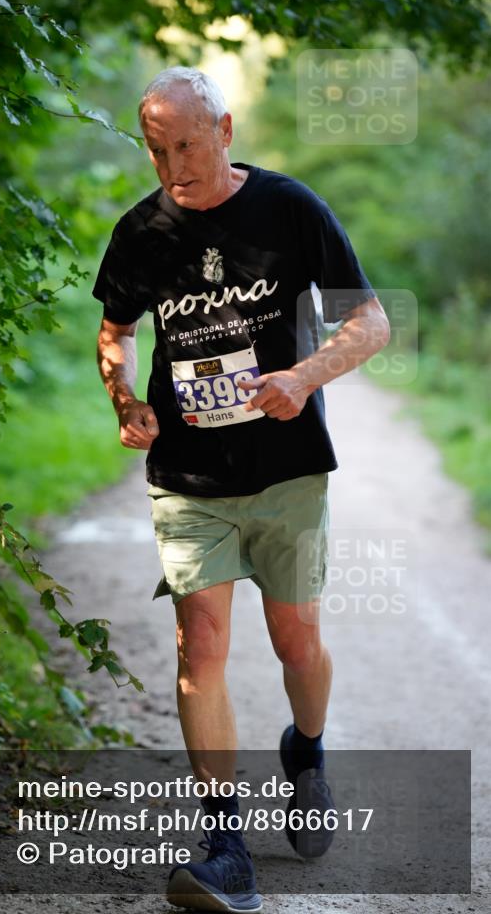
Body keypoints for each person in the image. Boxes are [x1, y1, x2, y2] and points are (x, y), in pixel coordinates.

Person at [93, 66, 390, 913]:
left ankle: (305, 748)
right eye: (155, 150)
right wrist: (122, 396)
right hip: (188, 476)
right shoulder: (141, 231)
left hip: (287, 468)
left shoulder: (290, 209)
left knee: (296, 643)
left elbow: (370, 322)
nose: (171, 166)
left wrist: (304, 374)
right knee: (202, 645)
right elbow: (113, 330)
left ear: (223, 130)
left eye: (185, 144)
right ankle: (222, 842)